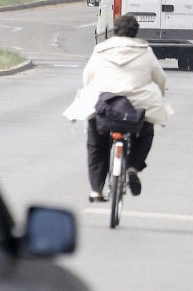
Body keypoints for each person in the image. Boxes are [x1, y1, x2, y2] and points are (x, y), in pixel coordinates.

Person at [63, 14, 172, 202]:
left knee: (96, 144)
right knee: (146, 130)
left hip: (104, 104)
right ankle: (132, 167)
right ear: (135, 32)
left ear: (114, 30)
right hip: (136, 106)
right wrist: (160, 95)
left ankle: (96, 190)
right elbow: (160, 77)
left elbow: (87, 76)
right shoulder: (145, 51)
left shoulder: (100, 49)